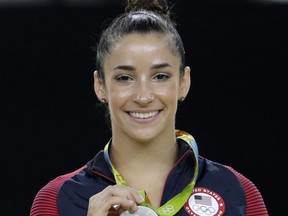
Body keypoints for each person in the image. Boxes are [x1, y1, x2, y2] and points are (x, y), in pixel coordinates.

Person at [30, 0, 269, 215]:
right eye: (124, 77)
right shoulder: (56, 200)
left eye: (161, 76)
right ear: (100, 85)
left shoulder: (239, 194)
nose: (143, 96)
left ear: (183, 82)